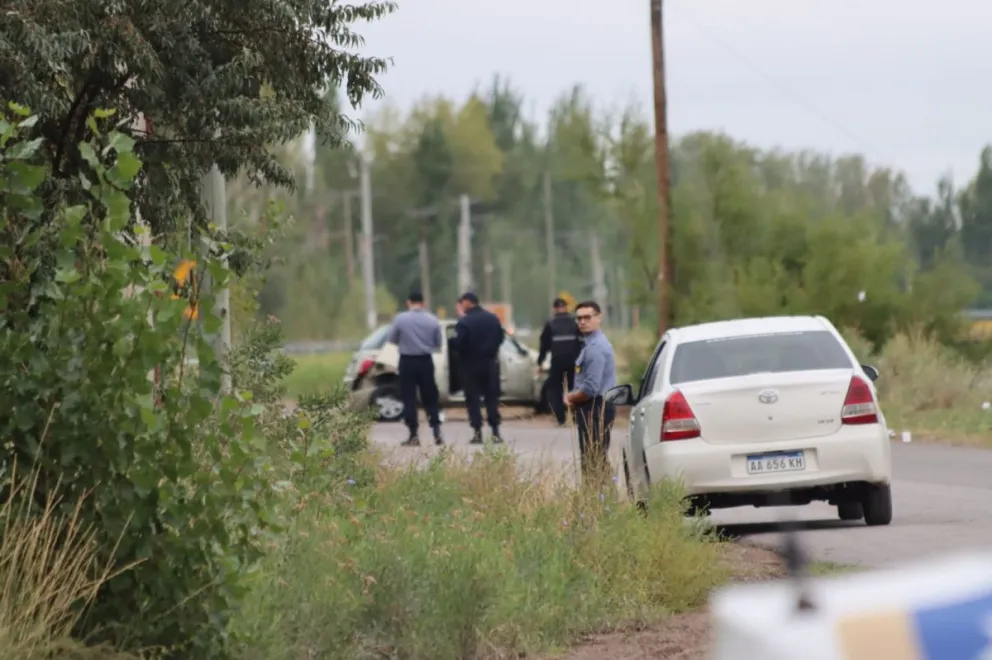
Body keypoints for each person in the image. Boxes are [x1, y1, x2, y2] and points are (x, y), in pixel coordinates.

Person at [564, 300, 617, 481]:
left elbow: (591, 388)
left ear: (598, 318)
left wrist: (571, 397)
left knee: (593, 459)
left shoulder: (595, 348)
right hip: (592, 407)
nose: (582, 322)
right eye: (579, 318)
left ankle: (600, 500)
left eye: (587, 317)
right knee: (594, 458)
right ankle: (602, 500)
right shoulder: (589, 344)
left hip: (595, 408)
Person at [387, 291, 444, 447]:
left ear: (408, 302)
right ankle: (437, 432)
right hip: (426, 361)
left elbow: (392, 339)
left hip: (407, 361)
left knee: (409, 398)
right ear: (424, 303)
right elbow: (438, 343)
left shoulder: (400, 319)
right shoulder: (433, 320)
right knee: (430, 397)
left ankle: (413, 435)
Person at [452, 292, 505, 444]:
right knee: (492, 399)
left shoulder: (464, 322)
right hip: (489, 364)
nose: (461, 307)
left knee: (473, 400)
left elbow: (459, 343)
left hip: (470, 365)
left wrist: (453, 344)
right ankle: (495, 432)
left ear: (468, 303)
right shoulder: (492, 318)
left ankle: (477, 433)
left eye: (462, 303)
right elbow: (500, 338)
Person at [537, 297, 582, 426]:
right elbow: (582, 341)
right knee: (576, 388)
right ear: (566, 307)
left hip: (557, 361)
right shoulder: (575, 322)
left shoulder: (550, 323)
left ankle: (561, 418)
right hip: (574, 361)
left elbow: (544, 345)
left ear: (555, 308)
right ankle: (575, 417)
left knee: (555, 390)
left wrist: (540, 362)